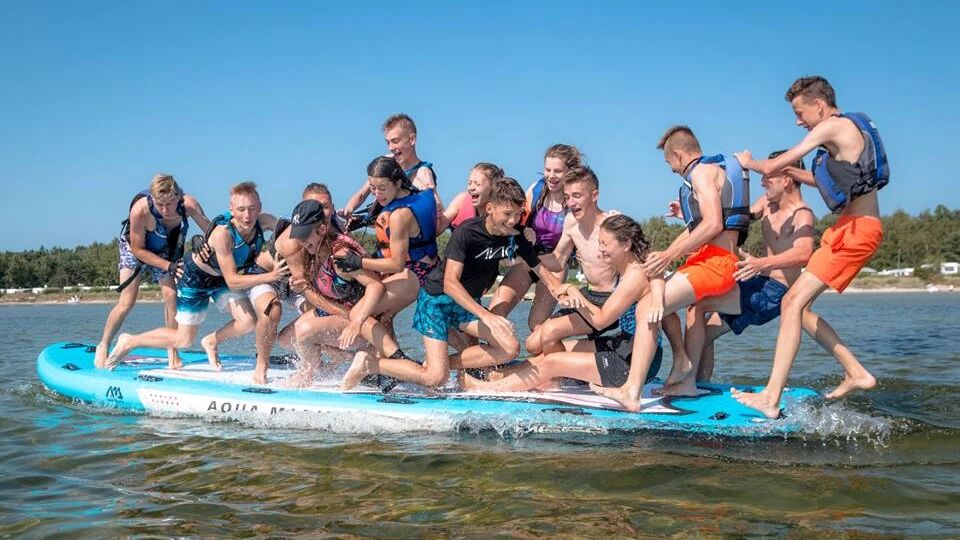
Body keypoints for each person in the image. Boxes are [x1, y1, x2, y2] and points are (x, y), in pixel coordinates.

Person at [732, 76, 886, 417]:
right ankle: (855, 372)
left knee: (791, 302)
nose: (798, 121)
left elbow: (769, 166)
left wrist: (748, 162)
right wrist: (791, 171)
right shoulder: (846, 132)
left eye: (800, 113)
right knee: (798, 309)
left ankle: (770, 397)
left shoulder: (831, 127)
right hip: (850, 229)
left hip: (856, 231)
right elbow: (820, 179)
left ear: (819, 104)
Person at [339, 177, 566, 390]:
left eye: (517, 214)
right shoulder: (467, 233)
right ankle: (370, 364)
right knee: (435, 378)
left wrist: (558, 288)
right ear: (490, 208)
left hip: (465, 304)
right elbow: (449, 283)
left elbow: (538, 267)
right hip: (436, 301)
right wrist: (486, 316)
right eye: (507, 214)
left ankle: (444, 364)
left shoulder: (515, 235)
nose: (513, 220)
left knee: (510, 347)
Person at [592, 126, 750, 410]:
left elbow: (713, 223)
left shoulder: (700, 173)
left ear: (678, 155)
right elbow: (701, 228)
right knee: (669, 304)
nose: (672, 169)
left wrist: (668, 256)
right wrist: (667, 252)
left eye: (669, 163)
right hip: (711, 261)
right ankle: (686, 379)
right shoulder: (710, 172)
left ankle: (631, 391)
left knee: (647, 307)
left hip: (716, 264)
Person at [103, 182, 288, 384]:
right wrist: (272, 276)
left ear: (260, 207)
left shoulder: (265, 221)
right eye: (241, 209)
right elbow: (233, 281)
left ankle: (211, 341)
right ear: (231, 210)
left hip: (219, 277)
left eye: (252, 208)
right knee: (184, 340)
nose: (247, 216)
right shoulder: (223, 233)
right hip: (195, 278)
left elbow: (290, 232)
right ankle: (130, 341)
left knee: (248, 321)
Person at [462, 214, 665, 394]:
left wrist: (574, 293)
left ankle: (487, 389)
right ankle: (502, 376)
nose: (600, 250)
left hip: (631, 362)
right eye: (599, 243)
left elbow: (601, 321)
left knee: (553, 361)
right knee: (554, 352)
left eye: (605, 244)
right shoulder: (630, 269)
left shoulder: (635, 276)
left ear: (626, 244)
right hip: (622, 343)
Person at [274, 200, 413, 389]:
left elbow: (375, 286)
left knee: (304, 331)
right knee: (286, 338)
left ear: (322, 229)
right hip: (340, 313)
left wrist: (357, 322)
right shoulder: (313, 251)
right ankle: (345, 360)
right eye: (298, 236)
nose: (302, 242)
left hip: (360, 321)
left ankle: (310, 375)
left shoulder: (340, 254)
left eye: (305, 236)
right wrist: (302, 286)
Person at [95, 174, 210, 369]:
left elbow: (213, 232)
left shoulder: (189, 205)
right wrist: (168, 266)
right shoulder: (140, 210)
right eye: (160, 204)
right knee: (127, 300)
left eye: (170, 204)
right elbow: (138, 249)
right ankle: (104, 344)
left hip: (164, 249)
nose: (165, 210)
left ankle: (172, 351)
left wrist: (200, 238)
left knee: (171, 295)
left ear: (179, 197)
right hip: (134, 248)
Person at [332, 156, 440, 333]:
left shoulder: (398, 216)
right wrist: (364, 221)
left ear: (397, 183)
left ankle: (386, 354)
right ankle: (394, 352)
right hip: (434, 266)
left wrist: (357, 262)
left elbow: (397, 265)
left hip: (418, 273)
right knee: (383, 318)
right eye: (372, 188)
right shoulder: (423, 194)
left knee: (358, 313)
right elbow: (420, 227)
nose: (377, 194)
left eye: (382, 188)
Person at [524, 166, 619, 356]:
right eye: (567, 197)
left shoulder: (613, 223)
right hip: (587, 295)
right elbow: (558, 260)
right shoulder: (571, 222)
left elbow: (639, 265)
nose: (571, 203)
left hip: (611, 301)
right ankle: (583, 354)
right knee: (532, 344)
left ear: (594, 196)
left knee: (549, 333)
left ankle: (561, 367)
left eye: (577, 196)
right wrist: (526, 256)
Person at [488, 144, 584, 330]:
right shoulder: (537, 189)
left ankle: (549, 346)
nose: (551, 175)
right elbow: (513, 220)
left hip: (554, 265)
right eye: (548, 170)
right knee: (495, 315)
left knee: (536, 325)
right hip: (527, 259)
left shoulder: (575, 202)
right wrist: (521, 233)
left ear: (570, 171)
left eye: (557, 171)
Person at [339, 113, 441, 226]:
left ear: (412, 139)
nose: (391, 148)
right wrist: (348, 210)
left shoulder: (423, 173)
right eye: (388, 142)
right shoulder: (386, 163)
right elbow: (362, 194)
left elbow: (436, 214)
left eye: (395, 141)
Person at [437, 163, 503, 231]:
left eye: (478, 184)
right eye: (469, 183)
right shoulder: (461, 201)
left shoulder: (503, 210)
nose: (471, 188)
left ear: (493, 187)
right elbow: (439, 228)